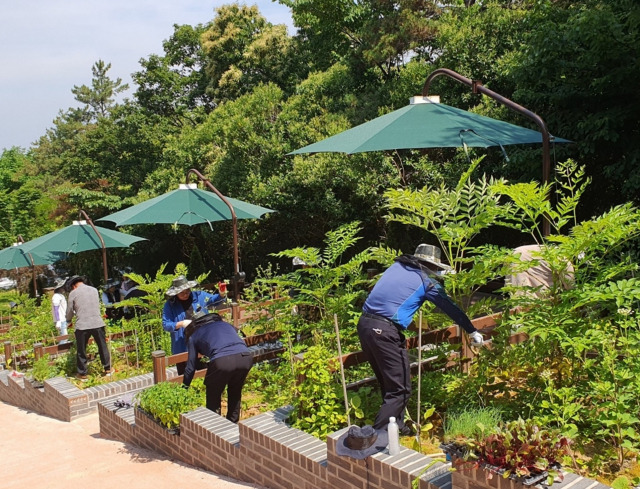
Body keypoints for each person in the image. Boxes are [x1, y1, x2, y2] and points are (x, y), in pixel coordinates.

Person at [357, 244, 484, 436]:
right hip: (384, 330)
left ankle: (397, 426)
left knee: (389, 384)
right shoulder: (426, 281)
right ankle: (376, 438)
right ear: (430, 265)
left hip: (365, 325)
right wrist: (472, 330)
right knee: (400, 390)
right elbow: (448, 306)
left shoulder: (396, 268)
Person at [182, 313, 253, 423]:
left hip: (222, 361)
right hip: (245, 357)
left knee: (213, 393)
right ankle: (233, 424)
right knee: (235, 391)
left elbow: (190, 367)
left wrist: (184, 388)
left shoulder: (194, 336)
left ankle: (215, 427)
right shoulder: (226, 325)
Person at [162, 276, 225, 374]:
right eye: (182, 293)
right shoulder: (170, 305)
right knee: (185, 375)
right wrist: (181, 323)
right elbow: (166, 324)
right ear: (176, 293)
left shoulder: (199, 296)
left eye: (187, 291)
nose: (186, 294)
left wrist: (221, 293)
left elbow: (214, 300)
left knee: (206, 372)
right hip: (183, 344)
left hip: (202, 340)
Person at [66, 275, 111, 379]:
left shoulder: (73, 293)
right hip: (97, 322)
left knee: (81, 350)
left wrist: (68, 320)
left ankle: (82, 374)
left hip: (82, 325)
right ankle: (107, 369)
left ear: (73, 286)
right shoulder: (94, 290)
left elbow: (69, 311)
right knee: (102, 346)